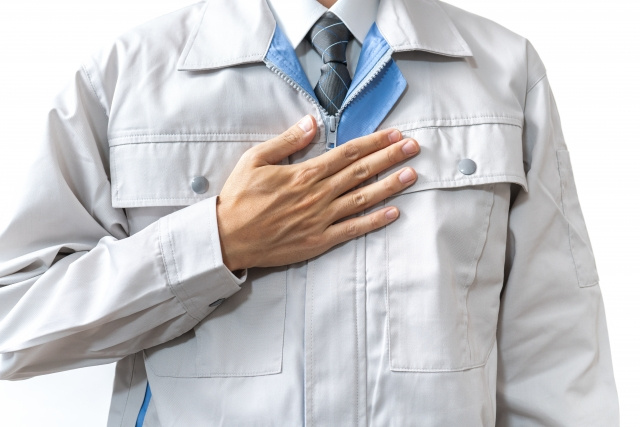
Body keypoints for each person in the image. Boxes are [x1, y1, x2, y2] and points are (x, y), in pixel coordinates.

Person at [0, 0, 619, 425]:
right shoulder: (127, 79)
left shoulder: (502, 74)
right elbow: (13, 318)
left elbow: (556, 357)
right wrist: (217, 241)